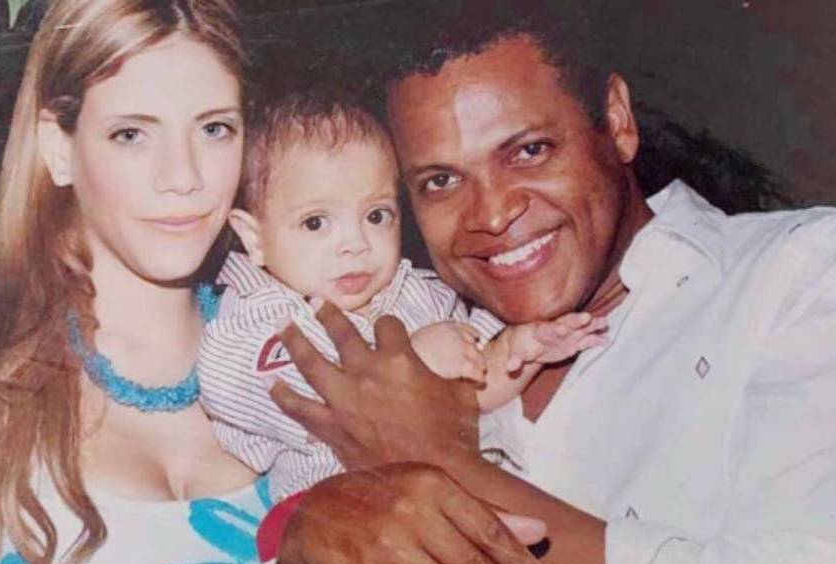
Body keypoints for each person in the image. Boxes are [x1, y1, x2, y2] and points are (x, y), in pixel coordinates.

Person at [263, 4, 836, 564]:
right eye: (441, 182)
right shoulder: (416, 354)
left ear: (616, 121)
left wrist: (441, 460)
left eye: (529, 151)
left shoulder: (814, 276)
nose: (491, 214)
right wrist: (305, 551)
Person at [0, 0, 272, 564]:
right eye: (131, 134)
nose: (183, 177)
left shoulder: (306, 363)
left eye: (214, 129)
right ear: (59, 149)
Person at [198, 93, 607, 504]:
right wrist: (415, 359)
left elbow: (474, 396)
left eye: (376, 216)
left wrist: (520, 349)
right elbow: (309, 403)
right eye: (316, 222)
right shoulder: (253, 327)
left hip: (467, 500)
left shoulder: (422, 295)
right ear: (255, 238)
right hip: (347, 521)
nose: (356, 243)